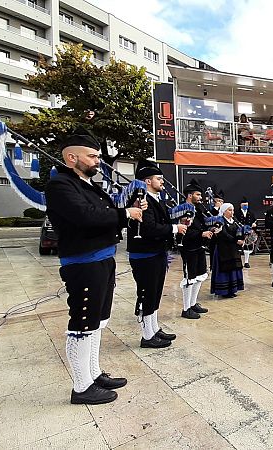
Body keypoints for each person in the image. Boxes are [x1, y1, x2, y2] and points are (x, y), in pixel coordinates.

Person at [45, 132, 142, 405]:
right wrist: (125, 214)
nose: (98, 160)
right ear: (71, 157)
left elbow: (105, 212)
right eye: (92, 155)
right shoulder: (60, 185)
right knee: (83, 324)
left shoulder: (86, 183)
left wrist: (128, 209)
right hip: (84, 263)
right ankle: (81, 386)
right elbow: (87, 217)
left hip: (103, 260)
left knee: (98, 322)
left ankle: (94, 372)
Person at [128, 160, 186, 348]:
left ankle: (154, 329)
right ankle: (147, 336)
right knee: (146, 294)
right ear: (147, 181)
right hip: (145, 255)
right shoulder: (140, 200)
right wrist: (175, 228)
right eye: (158, 179)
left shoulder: (154, 199)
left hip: (157, 253)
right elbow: (150, 229)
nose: (162, 182)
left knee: (155, 293)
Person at [180, 180, 211, 319]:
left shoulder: (198, 209)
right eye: (198, 194)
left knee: (199, 276)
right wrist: (201, 234)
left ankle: (193, 304)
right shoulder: (182, 210)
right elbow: (184, 231)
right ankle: (186, 308)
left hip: (199, 246)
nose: (200, 197)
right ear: (189, 195)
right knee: (190, 278)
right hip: (188, 248)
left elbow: (202, 225)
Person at [210, 203, 245, 298]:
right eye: (230, 210)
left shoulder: (234, 221)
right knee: (225, 269)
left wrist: (242, 238)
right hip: (223, 250)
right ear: (224, 211)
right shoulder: (219, 221)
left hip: (233, 249)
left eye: (233, 210)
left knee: (233, 268)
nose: (232, 212)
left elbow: (239, 230)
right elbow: (223, 234)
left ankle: (232, 290)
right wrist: (236, 240)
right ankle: (224, 291)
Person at [235, 197, 256, 268]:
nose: (245, 206)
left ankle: (246, 262)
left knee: (247, 246)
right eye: (244, 205)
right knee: (238, 247)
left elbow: (254, 221)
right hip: (239, 232)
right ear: (241, 205)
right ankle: (238, 262)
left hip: (248, 231)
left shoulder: (251, 213)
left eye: (246, 205)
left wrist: (254, 224)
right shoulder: (236, 213)